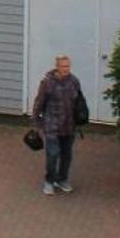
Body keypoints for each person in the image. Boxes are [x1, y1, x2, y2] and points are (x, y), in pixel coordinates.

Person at [31, 54, 86, 195]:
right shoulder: (47, 83)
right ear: (57, 67)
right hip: (52, 125)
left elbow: (79, 101)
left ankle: (62, 179)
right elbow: (39, 102)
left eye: (68, 66)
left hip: (69, 125)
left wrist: (80, 117)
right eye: (63, 66)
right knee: (53, 153)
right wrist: (35, 121)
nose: (66, 69)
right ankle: (49, 180)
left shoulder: (74, 81)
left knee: (67, 155)